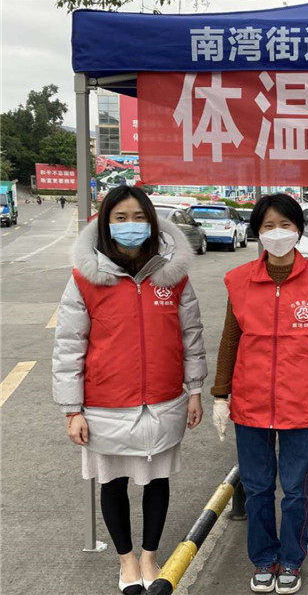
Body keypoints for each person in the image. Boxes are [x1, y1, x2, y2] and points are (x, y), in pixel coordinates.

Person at [53, 185, 207, 595]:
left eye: (139, 217)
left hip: (163, 400)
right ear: (105, 224)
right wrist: (72, 409)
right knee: (113, 483)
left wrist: (194, 389)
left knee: (157, 481)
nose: (131, 226)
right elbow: (69, 344)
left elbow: (191, 335)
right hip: (105, 403)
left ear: (152, 223)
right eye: (120, 218)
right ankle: (127, 560)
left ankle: (150, 556)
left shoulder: (173, 277)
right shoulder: (86, 279)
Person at [211, 193, 308, 595]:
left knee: (296, 490)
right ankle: (263, 558)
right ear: (257, 232)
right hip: (250, 405)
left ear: (298, 229)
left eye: (286, 225)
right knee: (258, 488)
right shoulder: (239, 281)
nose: (278, 233)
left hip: (301, 404)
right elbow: (230, 340)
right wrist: (220, 395)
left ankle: (292, 558)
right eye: (268, 226)